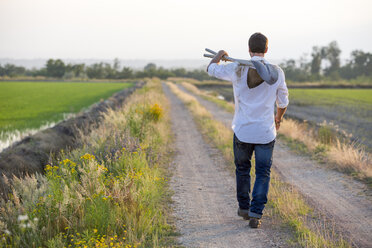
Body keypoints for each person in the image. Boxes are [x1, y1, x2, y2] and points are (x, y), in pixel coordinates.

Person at [207, 32, 289, 228]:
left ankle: (244, 208)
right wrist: (278, 117)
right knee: (263, 173)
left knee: (242, 170)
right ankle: (255, 214)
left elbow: (211, 68)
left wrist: (220, 54)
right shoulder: (276, 71)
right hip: (265, 133)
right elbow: (284, 101)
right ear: (266, 50)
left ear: (249, 49)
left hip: (243, 131)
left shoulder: (237, 67)